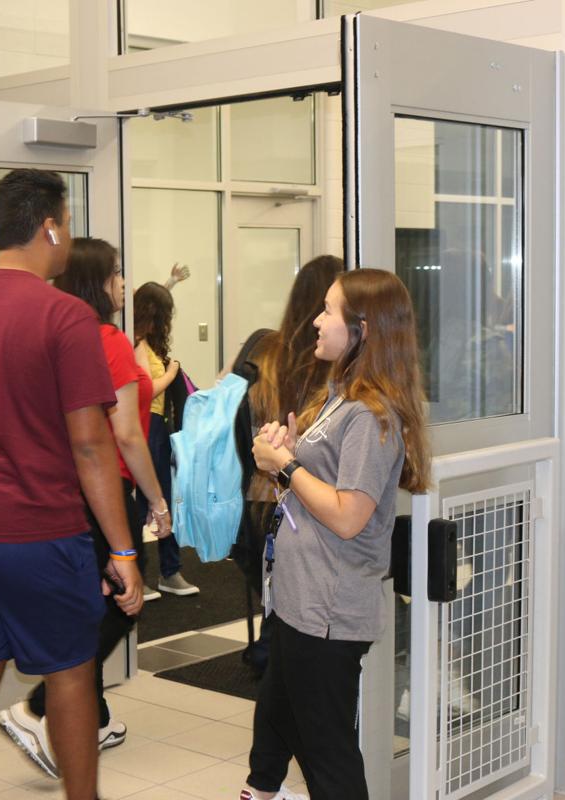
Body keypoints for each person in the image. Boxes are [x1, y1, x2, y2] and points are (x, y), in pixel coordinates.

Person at [0, 169, 143, 800]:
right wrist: (123, 550)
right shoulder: (65, 316)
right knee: (72, 677)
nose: (68, 235)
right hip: (37, 531)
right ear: (50, 226)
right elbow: (91, 442)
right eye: (66, 222)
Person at [243, 268, 430, 800]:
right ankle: (260, 790)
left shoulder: (372, 415)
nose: (317, 321)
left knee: (327, 755)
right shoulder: (341, 396)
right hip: (299, 598)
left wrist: (284, 467)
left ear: (363, 329)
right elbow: (318, 492)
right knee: (280, 716)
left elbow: (349, 516)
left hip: (328, 610)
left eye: (329, 311)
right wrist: (290, 452)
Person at [0, 237, 172, 776]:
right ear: (98, 281)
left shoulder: (55, 337)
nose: (124, 284)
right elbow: (125, 435)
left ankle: (91, 721)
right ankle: (42, 706)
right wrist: (158, 500)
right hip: (104, 492)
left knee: (91, 604)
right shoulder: (109, 340)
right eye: (118, 274)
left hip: (59, 491)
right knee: (124, 599)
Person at [234, 255, 344, 672]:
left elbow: (240, 426)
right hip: (312, 504)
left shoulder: (263, 353)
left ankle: (271, 663)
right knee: (305, 619)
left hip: (259, 502)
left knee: (278, 604)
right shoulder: (336, 366)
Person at [132, 281, 198, 599]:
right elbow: (146, 390)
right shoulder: (136, 344)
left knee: (163, 499)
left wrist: (170, 282)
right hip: (147, 426)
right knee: (149, 500)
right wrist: (172, 373)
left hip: (156, 427)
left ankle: (168, 571)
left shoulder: (144, 343)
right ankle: (146, 574)